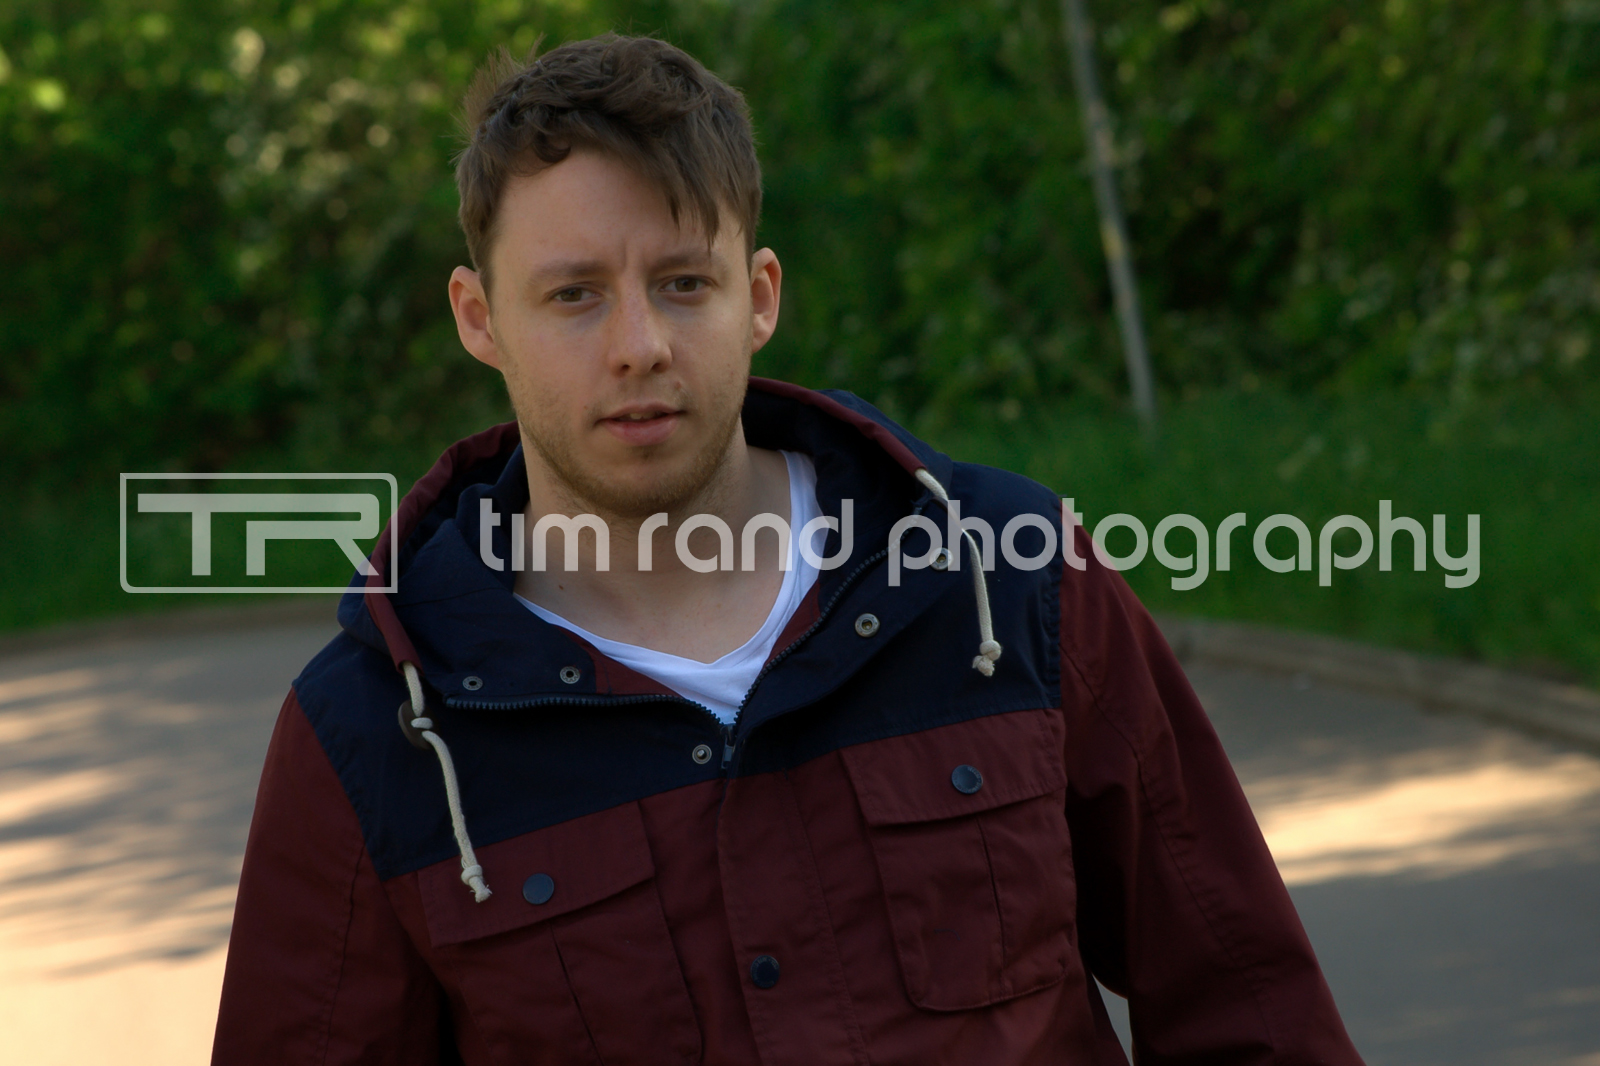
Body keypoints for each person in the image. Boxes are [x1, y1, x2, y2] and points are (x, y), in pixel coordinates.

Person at [212, 32, 1364, 1065]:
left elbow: (1250, 1010)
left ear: (757, 296)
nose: (638, 345)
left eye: (682, 283)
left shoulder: (1005, 579)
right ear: (479, 318)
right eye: (573, 295)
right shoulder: (379, 734)